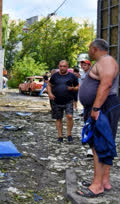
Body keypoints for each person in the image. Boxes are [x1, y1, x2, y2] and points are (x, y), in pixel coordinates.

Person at [76, 39, 120, 198]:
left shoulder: (106, 61)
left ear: (94, 49)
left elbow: (106, 84)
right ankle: (104, 181)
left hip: (103, 106)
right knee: (104, 144)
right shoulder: (104, 61)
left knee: (99, 146)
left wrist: (95, 108)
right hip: (102, 106)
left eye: (89, 49)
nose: (88, 51)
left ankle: (97, 186)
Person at [47, 60, 79, 143]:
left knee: (69, 116)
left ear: (67, 67)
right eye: (61, 66)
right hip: (56, 101)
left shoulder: (72, 76)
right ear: (58, 67)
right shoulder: (55, 76)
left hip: (68, 100)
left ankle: (69, 135)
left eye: (64, 66)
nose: (62, 68)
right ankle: (60, 136)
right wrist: (50, 94)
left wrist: (73, 88)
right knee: (58, 118)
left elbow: (78, 86)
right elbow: (49, 85)